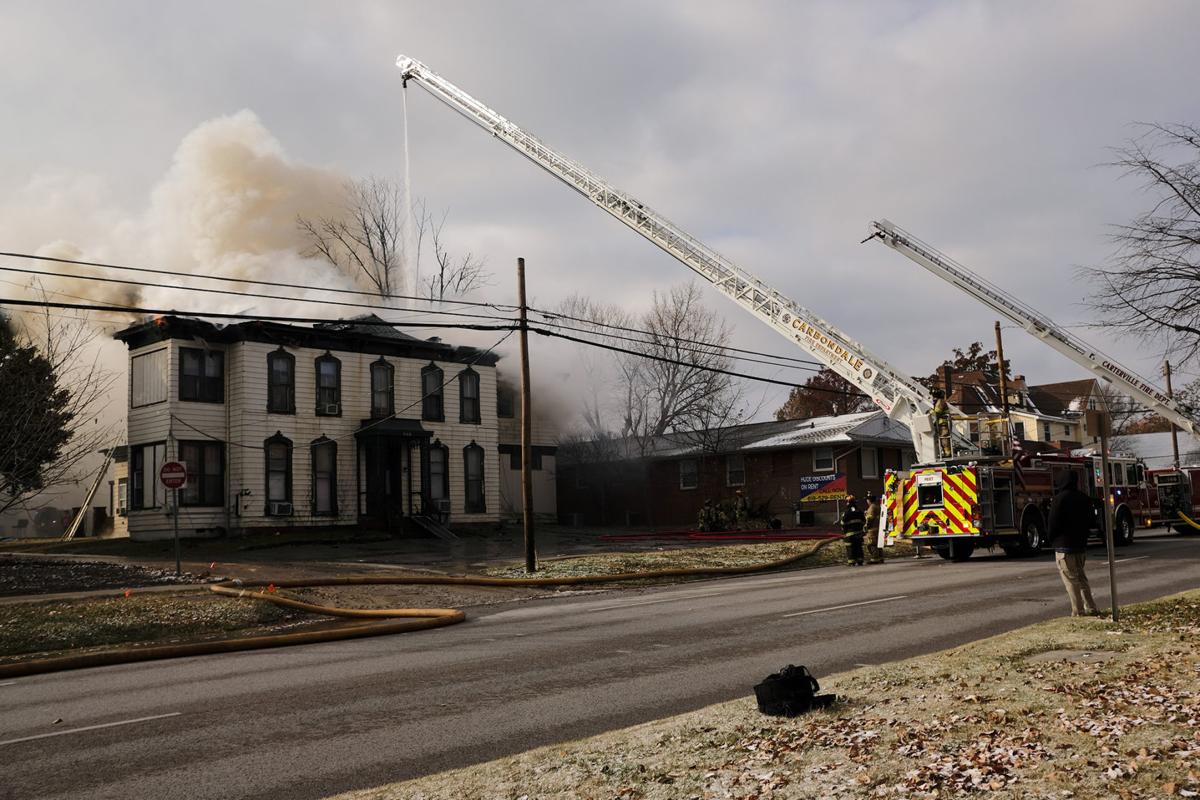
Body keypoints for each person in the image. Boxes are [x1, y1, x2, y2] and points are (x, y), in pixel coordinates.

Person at [1047, 470, 1099, 617]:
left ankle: (1078, 611)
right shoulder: (1084, 498)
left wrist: (1051, 539)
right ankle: (1092, 607)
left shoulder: (1059, 499)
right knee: (1082, 578)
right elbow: (1092, 522)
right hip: (1080, 545)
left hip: (1064, 547)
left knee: (1071, 580)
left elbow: (1053, 523)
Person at [840, 495, 866, 566]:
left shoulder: (846, 512)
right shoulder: (859, 511)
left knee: (850, 548)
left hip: (849, 534)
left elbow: (842, 523)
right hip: (859, 533)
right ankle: (860, 560)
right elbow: (864, 521)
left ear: (848, 502)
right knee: (858, 547)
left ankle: (851, 562)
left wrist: (844, 530)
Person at [863, 491, 884, 564]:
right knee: (878, 544)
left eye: (867, 500)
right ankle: (880, 557)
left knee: (871, 544)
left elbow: (869, 519)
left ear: (869, 500)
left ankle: (875, 559)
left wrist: (866, 527)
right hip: (878, 528)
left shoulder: (871, 507)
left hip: (872, 529)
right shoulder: (877, 506)